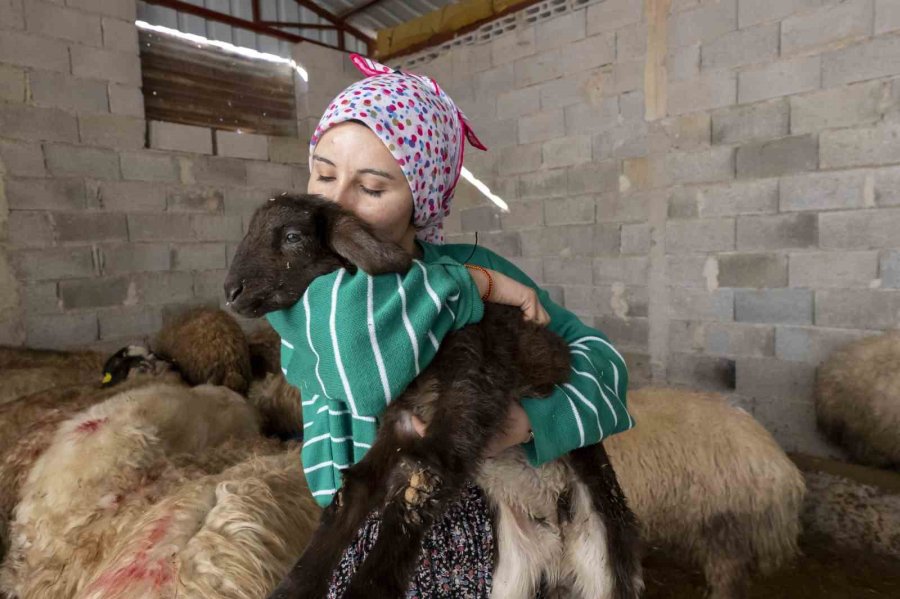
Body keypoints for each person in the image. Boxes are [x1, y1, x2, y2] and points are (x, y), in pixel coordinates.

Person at [265, 53, 634, 598]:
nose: (334, 206)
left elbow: (606, 365)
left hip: (494, 532)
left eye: (370, 188)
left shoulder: (481, 266)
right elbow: (362, 365)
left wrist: (529, 422)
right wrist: (472, 285)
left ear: (422, 200)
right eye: (323, 174)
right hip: (370, 533)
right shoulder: (305, 297)